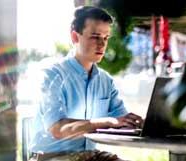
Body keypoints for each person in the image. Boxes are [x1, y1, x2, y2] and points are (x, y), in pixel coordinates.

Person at [30, 6, 144, 161]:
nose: (102, 44)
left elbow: (121, 121)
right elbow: (58, 129)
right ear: (75, 37)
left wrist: (139, 123)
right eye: (95, 36)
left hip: (91, 156)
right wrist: (108, 121)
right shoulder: (52, 75)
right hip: (52, 157)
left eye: (105, 37)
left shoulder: (105, 81)